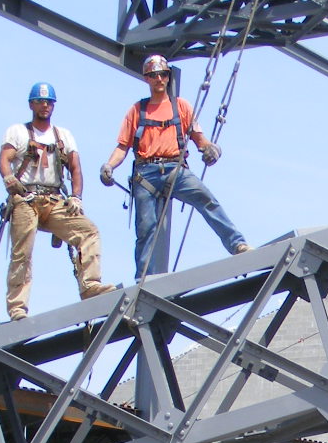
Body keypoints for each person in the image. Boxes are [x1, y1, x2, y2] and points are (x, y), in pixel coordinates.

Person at [99, 54, 251, 280]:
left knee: (206, 199)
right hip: (145, 174)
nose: (159, 79)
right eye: (154, 75)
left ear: (168, 77)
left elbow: (200, 140)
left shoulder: (181, 107)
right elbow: (122, 147)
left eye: (162, 74)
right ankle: (144, 279)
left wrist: (210, 149)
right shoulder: (137, 110)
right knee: (146, 228)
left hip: (174, 169)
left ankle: (237, 245)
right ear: (147, 79)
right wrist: (109, 166)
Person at [0, 82, 114, 322]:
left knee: (88, 232)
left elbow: (75, 168)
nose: (45, 106)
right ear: (31, 104)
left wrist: (76, 196)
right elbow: (5, 159)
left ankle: (91, 285)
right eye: (40, 101)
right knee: (22, 253)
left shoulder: (63, 135)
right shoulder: (18, 132)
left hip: (53, 199)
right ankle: (18, 308)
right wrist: (9, 178)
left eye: (49, 102)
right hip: (26, 199)